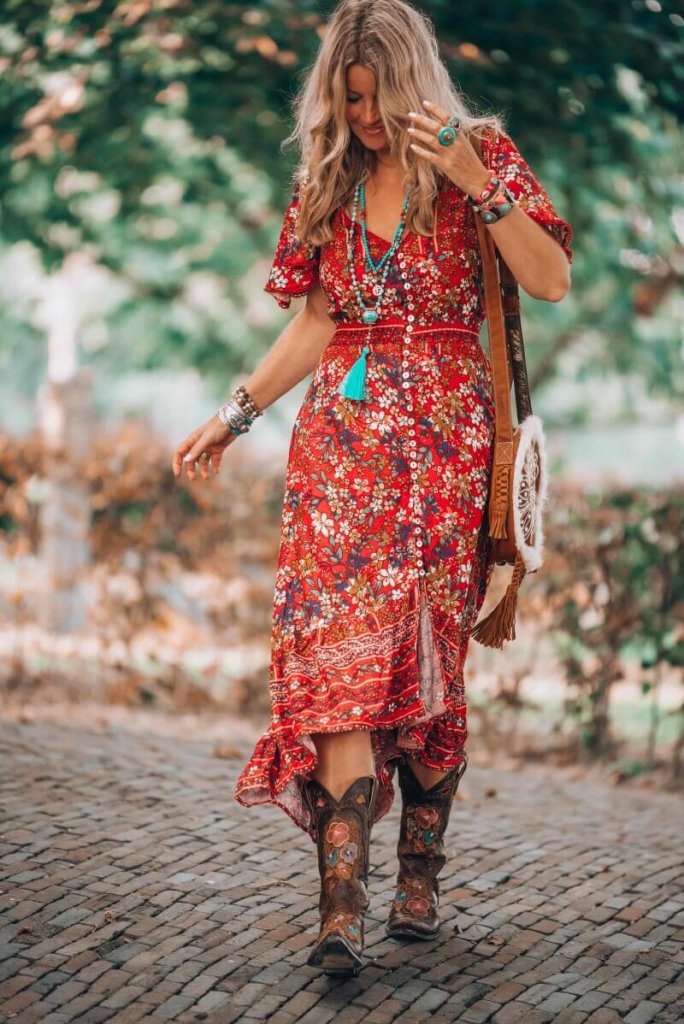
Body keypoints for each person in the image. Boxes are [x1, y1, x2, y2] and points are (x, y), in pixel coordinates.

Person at [172, 0, 572, 978]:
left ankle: (420, 871)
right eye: (346, 99)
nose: (359, 115)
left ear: (408, 85)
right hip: (339, 459)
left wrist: (480, 187)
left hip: (441, 455)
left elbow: (551, 278)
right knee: (336, 668)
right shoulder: (331, 181)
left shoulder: (480, 152)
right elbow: (315, 325)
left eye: (373, 98)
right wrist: (235, 413)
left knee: (427, 673)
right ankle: (340, 910)